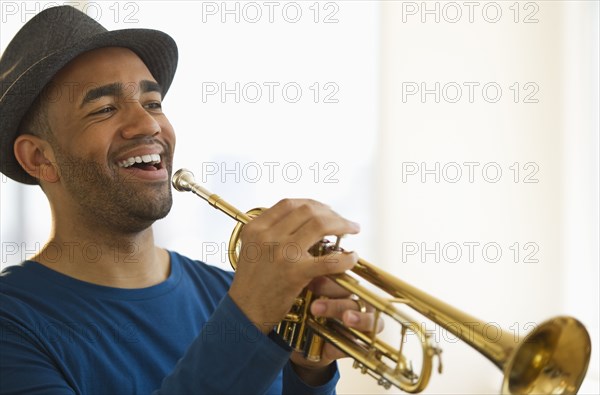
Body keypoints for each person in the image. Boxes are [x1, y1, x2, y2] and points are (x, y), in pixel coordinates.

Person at [0, 5, 378, 395]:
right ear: (40, 158)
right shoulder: (12, 324)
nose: (148, 125)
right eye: (105, 109)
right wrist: (248, 315)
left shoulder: (230, 292)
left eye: (153, 103)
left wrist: (309, 372)